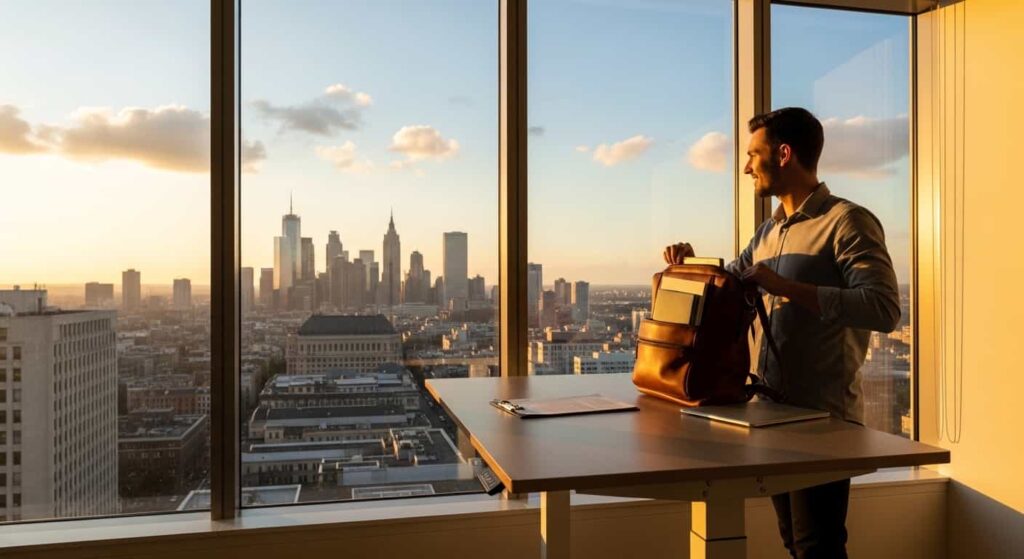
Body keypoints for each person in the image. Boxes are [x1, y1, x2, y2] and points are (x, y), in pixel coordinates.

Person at [664, 107, 900, 559]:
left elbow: (884, 307)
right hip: (771, 416)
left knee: (818, 547)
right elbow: (728, 287)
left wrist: (787, 287)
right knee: (796, 543)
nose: (747, 166)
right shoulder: (769, 231)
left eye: (754, 154)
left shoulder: (847, 222)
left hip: (824, 423)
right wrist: (691, 264)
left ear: (785, 154)